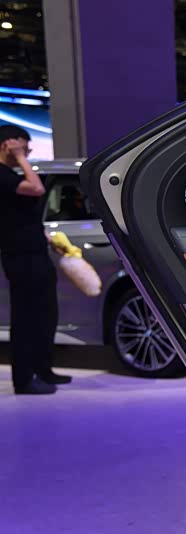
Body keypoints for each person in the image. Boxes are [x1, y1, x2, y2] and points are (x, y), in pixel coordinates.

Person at [0, 125, 71, 394]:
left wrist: (48, 239)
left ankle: (43, 370)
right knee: (26, 319)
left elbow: (24, 217)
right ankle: (23, 380)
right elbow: (37, 188)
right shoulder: (2, 175)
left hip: (36, 252)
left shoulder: (11, 175)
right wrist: (20, 158)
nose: (27, 151)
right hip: (20, 257)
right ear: (7, 144)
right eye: (23, 146)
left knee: (45, 315)